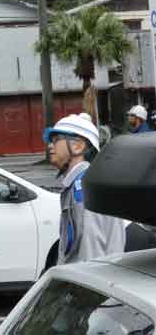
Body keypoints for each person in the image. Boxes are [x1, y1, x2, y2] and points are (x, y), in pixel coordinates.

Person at [44, 113, 125, 265]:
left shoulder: (84, 189)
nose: (50, 145)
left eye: (56, 140)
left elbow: (92, 251)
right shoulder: (78, 184)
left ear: (78, 146)